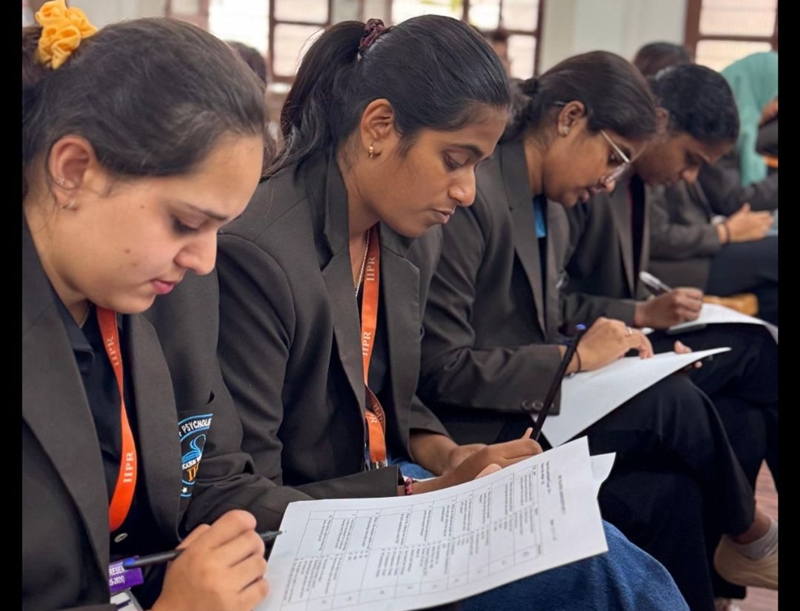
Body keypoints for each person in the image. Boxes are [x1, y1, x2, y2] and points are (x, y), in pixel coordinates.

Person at [147, 18, 690, 611]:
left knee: (605, 545)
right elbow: (248, 493)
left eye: (477, 166)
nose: (467, 191)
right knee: (600, 575)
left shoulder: (404, 235)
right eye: (455, 160)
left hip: (388, 489)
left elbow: (389, 391)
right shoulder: (263, 255)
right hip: (314, 530)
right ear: (379, 127)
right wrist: (417, 493)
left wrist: (449, 456)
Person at [417, 52, 777, 611]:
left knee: (675, 489)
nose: (609, 182)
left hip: (539, 394)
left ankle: (731, 566)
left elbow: (551, 314)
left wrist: (623, 345)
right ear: (569, 119)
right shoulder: (475, 196)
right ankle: (753, 535)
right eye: (612, 159)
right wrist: (576, 358)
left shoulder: (553, 205)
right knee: (676, 402)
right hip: (482, 420)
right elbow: (442, 368)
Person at [22, 3, 293, 609]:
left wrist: (384, 515)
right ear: (73, 171)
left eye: (220, 228)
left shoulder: (162, 292)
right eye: (186, 223)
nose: (204, 260)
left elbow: (208, 475)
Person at [561, 61, 779, 606]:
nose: (689, 176)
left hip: (617, 338)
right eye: (690, 159)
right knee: (754, 351)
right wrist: (640, 314)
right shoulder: (587, 177)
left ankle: (725, 578)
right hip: (579, 360)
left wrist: (646, 317)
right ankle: (751, 538)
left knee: (744, 418)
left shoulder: (629, 178)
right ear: (660, 123)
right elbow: (555, 307)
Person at [697, 51, 778, 214]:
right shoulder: (717, 127)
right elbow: (732, 200)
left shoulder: (751, 127)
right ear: (756, 86)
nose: (776, 107)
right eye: (775, 97)